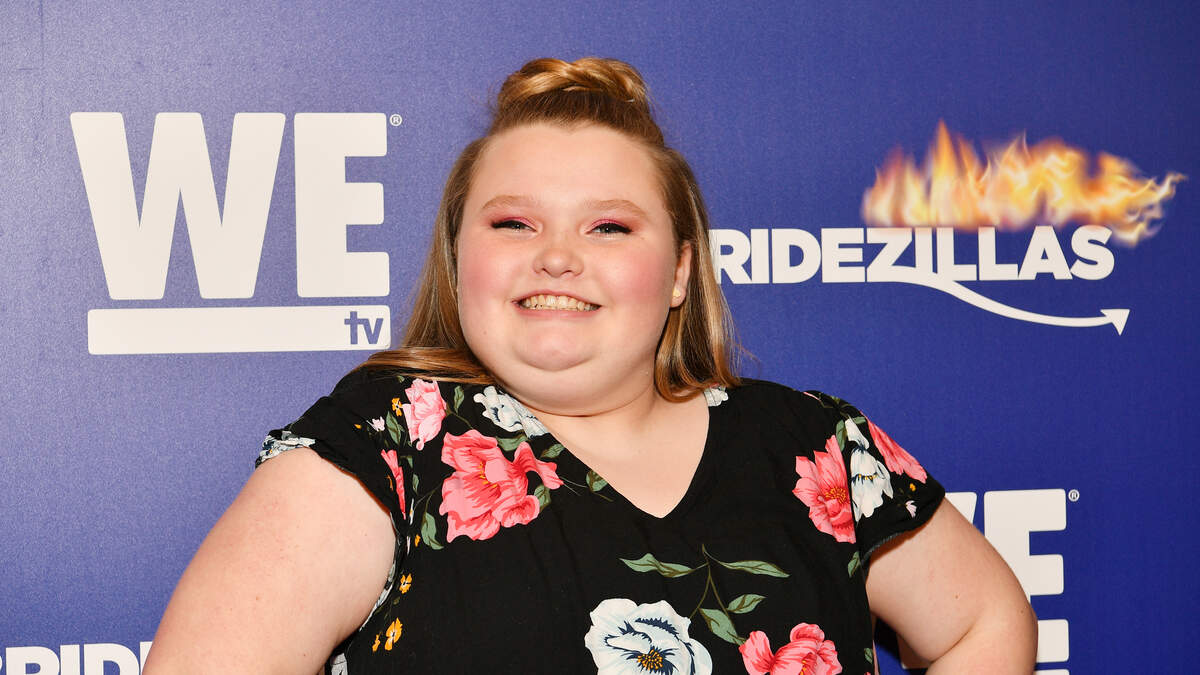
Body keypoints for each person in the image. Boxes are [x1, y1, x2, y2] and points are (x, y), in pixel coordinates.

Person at [145, 57, 1036, 674]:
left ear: (680, 269)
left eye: (608, 226)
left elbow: (986, 622)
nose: (557, 256)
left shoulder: (816, 447)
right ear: (460, 258)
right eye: (514, 222)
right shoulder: (387, 443)